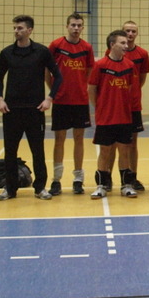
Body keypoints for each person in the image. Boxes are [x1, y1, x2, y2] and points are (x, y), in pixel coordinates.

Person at [0, 15, 62, 200]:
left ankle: (40, 188)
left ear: (30, 30)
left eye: (20, 28)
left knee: (37, 150)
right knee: (10, 151)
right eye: (15, 28)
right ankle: (10, 189)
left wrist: (49, 98)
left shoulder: (41, 52)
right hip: (11, 110)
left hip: (35, 110)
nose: (16, 31)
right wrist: (0, 99)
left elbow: (58, 76)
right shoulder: (7, 53)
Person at [47, 13, 94, 195]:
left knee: (79, 139)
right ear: (67, 26)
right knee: (59, 139)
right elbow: (47, 70)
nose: (76, 28)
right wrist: (54, 90)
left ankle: (78, 179)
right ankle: (56, 179)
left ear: (82, 28)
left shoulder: (86, 47)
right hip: (61, 100)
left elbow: (89, 71)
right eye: (73, 25)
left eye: (79, 25)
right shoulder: (56, 45)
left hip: (80, 100)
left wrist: (81, 86)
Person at [88, 30, 135, 199]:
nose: (126, 46)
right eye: (122, 43)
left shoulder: (129, 65)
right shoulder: (100, 65)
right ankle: (101, 185)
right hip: (106, 117)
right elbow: (92, 89)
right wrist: (100, 107)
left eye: (126, 43)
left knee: (124, 151)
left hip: (124, 117)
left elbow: (129, 88)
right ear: (112, 45)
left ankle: (126, 185)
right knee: (105, 152)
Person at [107, 20, 149, 192]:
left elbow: (141, 79)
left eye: (133, 31)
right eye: (127, 31)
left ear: (137, 33)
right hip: (115, 106)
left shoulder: (142, 54)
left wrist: (133, 94)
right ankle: (107, 178)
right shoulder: (112, 52)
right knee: (111, 144)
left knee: (132, 143)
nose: (130, 34)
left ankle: (132, 177)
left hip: (133, 106)